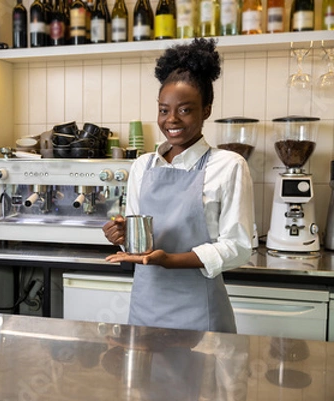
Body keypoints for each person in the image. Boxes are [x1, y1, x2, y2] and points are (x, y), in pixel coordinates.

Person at [102, 38, 253, 334]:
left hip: (201, 315)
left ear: (206, 110)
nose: (171, 120)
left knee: (201, 381)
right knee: (146, 381)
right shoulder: (142, 166)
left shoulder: (228, 165)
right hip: (145, 309)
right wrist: (119, 236)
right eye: (163, 110)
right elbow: (137, 241)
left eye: (185, 110)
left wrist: (171, 260)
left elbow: (238, 247)